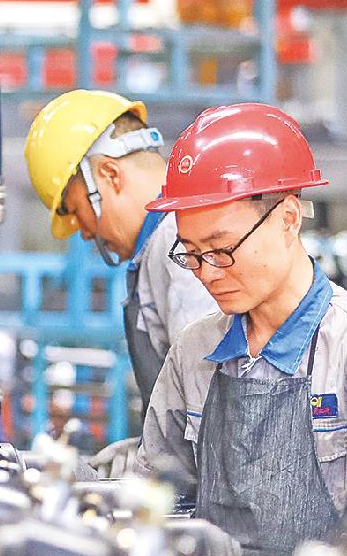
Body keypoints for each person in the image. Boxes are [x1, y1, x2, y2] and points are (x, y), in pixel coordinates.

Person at [133, 103, 347, 556]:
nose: (206, 272)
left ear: (288, 219)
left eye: (221, 249)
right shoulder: (193, 353)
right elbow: (162, 495)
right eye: (190, 253)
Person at [23, 90, 218, 407]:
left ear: (110, 176)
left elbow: (208, 408)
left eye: (78, 211)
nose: (86, 233)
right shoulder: (161, 245)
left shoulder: (180, 243)